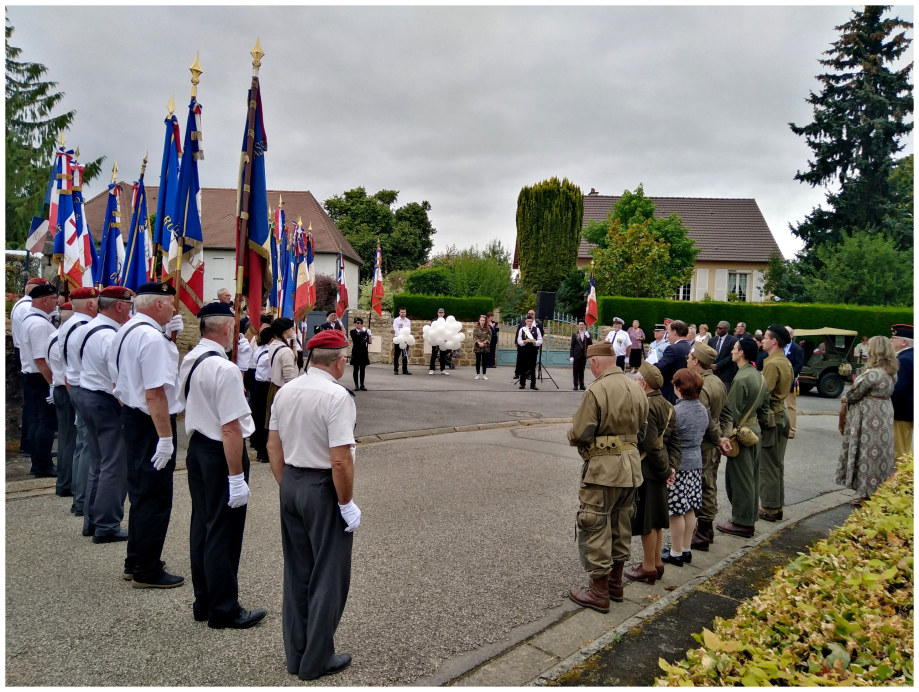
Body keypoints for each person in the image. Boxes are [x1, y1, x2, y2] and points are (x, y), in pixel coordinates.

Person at [267, 328, 358, 681]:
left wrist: (288, 485)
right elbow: (340, 460)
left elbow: (273, 446)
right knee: (328, 575)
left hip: (291, 480)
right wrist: (346, 502)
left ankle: (297, 654)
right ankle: (317, 658)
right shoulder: (337, 396)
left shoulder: (286, 392)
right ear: (338, 362)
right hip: (323, 486)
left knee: (298, 572)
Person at [179, 301, 266, 629]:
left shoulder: (191, 357)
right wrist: (235, 477)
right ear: (228, 329)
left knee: (202, 524)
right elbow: (231, 428)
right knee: (224, 531)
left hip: (198, 447)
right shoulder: (224, 369)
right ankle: (224, 608)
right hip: (220, 451)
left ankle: (204, 599)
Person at [109, 282, 185, 588]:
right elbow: (155, 393)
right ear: (157, 305)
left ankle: (136, 560)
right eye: (170, 303)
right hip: (152, 421)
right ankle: (147, 570)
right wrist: (165, 437)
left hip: (133, 415)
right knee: (154, 496)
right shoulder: (151, 338)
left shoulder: (126, 330)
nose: (173, 309)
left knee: (140, 492)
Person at [567, 342, 648, 613]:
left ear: (595, 363)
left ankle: (598, 591)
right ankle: (615, 584)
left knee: (595, 523)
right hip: (631, 468)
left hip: (603, 470)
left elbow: (580, 432)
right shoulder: (637, 388)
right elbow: (644, 431)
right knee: (621, 523)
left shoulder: (596, 390)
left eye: (590, 365)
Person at [78, 287, 135, 545]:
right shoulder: (111, 336)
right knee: (114, 464)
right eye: (129, 304)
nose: (131, 308)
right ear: (120, 306)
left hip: (88, 394)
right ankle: (107, 524)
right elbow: (120, 375)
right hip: (105, 400)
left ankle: (93, 520)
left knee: (99, 462)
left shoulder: (91, 328)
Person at [625, 362, 680, 585]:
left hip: (648, 469)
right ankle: (656, 563)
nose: (635, 383)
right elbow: (675, 441)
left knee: (647, 521)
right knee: (657, 519)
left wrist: (665, 469)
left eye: (637, 379)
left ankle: (648, 567)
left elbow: (650, 445)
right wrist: (672, 466)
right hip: (661, 467)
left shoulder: (645, 405)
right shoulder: (668, 404)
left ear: (644, 384)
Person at [716, 337, 770, 538]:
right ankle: (748, 518)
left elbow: (732, 413)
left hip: (741, 433)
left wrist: (724, 436)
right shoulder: (758, 375)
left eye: (735, 349)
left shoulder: (741, 378)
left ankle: (742, 521)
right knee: (751, 476)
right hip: (754, 430)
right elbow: (765, 407)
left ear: (742, 353)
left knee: (740, 479)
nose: (731, 351)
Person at [836, 335, 898, 505]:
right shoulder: (891, 372)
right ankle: (878, 491)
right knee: (881, 455)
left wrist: (845, 399)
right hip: (884, 414)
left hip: (868, 417)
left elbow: (854, 394)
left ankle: (866, 493)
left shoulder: (872, 374)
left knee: (866, 454)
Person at [686, 343, 734, 551]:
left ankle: (703, 532)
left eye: (690, 357)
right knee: (710, 482)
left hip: (704, 443)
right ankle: (707, 529)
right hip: (713, 443)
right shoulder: (718, 382)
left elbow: (704, 418)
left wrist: (719, 438)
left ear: (696, 361)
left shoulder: (701, 385)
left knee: (705, 486)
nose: (687, 360)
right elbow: (726, 413)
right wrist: (725, 435)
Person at [662, 369, 709, 567]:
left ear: (679, 387)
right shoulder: (702, 410)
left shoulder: (677, 411)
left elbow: (667, 438)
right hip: (695, 461)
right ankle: (686, 548)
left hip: (679, 463)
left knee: (675, 510)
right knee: (689, 507)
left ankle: (675, 552)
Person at [60, 287, 100, 511]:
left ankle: (79, 495)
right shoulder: (85, 328)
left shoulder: (69, 324)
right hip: (83, 386)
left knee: (82, 444)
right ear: (91, 304)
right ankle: (83, 499)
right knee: (88, 446)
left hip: (74, 384)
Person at [19, 282, 60, 478]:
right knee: (46, 422)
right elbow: (41, 359)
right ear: (45, 300)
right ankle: (42, 464)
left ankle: (39, 462)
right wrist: (52, 384)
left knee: (38, 420)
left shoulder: (33, 320)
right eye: (54, 299)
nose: (56, 302)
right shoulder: (39, 324)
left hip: (33, 375)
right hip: (40, 376)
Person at [757, 325, 794, 523]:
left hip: (772, 416)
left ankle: (769, 507)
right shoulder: (784, 361)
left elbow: (764, 393)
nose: (762, 340)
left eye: (765, 337)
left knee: (768, 465)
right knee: (777, 463)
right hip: (782, 414)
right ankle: (776, 505)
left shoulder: (772, 364)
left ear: (774, 341)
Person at [11, 277, 50, 455]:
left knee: (34, 411)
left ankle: (32, 448)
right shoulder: (31, 312)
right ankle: (34, 450)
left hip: (27, 357)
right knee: (39, 415)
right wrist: (51, 381)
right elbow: (40, 358)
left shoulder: (22, 305)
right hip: (34, 363)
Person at [47, 303, 74, 496]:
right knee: (71, 440)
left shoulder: (53, 336)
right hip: (67, 389)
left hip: (59, 387)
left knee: (67, 438)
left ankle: (64, 482)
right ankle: (66, 483)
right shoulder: (67, 339)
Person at [266, 318, 299, 424]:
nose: (293, 330)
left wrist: (294, 344)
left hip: (274, 387)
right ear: (285, 331)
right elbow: (289, 378)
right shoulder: (285, 351)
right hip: (283, 390)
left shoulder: (273, 345)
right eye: (291, 328)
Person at [249, 328, 274, 463]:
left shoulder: (259, 350)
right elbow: (271, 375)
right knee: (265, 419)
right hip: (265, 386)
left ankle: (259, 447)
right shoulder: (268, 354)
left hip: (257, 385)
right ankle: (263, 451)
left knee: (258, 417)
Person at [656, 320, 692, 404]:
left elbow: (660, 367)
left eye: (668, 333)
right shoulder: (690, 347)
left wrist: (648, 366)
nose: (667, 336)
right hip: (685, 390)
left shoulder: (672, 348)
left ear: (675, 332)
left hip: (671, 391)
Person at [890, 325, 913, 459]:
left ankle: (898, 479)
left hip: (901, 412)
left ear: (904, 342)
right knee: (907, 450)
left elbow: (898, 389)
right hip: (910, 412)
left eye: (894, 338)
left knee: (899, 453)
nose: (891, 340)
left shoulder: (903, 360)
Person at [784, 327, 805, 439]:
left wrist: (787, 374)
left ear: (792, 335)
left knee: (790, 406)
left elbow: (798, 365)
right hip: (778, 380)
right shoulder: (778, 347)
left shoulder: (797, 349)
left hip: (790, 380)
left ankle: (791, 430)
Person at [710, 321, 738, 391]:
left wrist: (718, 365)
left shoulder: (733, 340)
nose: (718, 330)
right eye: (717, 328)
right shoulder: (712, 340)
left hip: (726, 375)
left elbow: (731, 356)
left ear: (727, 329)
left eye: (720, 328)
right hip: (712, 374)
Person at [516, 315, 543, 390]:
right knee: (523, 367)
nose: (529, 323)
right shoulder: (522, 329)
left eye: (531, 321)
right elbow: (519, 340)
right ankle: (522, 383)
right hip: (524, 350)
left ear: (532, 322)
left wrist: (536, 343)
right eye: (528, 321)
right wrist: (523, 342)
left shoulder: (536, 329)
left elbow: (540, 340)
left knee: (532, 368)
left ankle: (533, 384)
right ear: (525, 322)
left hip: (533, 351)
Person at [569, 319, 592, 390]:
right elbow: (572, 346)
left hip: (583, 355)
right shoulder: (575, 334)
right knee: (575, 370)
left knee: (582, 371)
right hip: (576, 355)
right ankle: (575, 385)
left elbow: (590, 344)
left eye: (582, 325)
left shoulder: (587, 334)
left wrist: (588, 337)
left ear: (584, 325)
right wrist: (571, 356)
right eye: (580, 325)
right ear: (578, 325)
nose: (581, 326)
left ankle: (582, 384)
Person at [349, 317, 371, 391]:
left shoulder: (364, 332)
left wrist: (369, 335)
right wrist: (364, 332)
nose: (357, 324)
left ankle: (362, 384)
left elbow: (369, 342)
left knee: (362, 369)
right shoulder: (353, 332)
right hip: (356, 351)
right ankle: (356, 385)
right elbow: (356, 339)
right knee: (356, 369)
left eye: (359, 323)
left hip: (363, 351)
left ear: (361, 324)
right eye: (356, 323)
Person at [429, 307, 450, 375]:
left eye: (442, 313)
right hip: (435, 340)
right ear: (437, 313)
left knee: (443, 355)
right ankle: (432, 369)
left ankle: (443, 369)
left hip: (443, 340)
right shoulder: (434, 321)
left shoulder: (446, 321)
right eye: (439, 313)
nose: (441, 314)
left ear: (444, 314)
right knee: (434, 355)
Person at [392, 307, 412, 375]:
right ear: (399, 312)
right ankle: (396, 369)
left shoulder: (408, 321)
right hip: (398, 339)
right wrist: (401, 336)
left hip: (406, 340)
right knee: (397, 355)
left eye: (404, 312)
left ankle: (405, 370)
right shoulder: (396, 320)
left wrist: (405, 337)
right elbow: (396, 329)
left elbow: (409, 330)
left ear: (406, 313)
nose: (403, 313)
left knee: (405, 355)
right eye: (401, 312)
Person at [472, 315, 491, 380]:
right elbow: (474, 337)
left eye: (483, 320)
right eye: (481, 320)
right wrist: (479, 342)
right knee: (478, 361)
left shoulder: (488, 328)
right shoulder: (476, 329)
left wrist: (484, 343)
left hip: (485, 347)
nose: (482, 321)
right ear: (479, 321)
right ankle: (477, 374)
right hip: (478, 347)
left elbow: (489, 337)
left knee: (484, 361)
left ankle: (484, 374)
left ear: (485, 321)